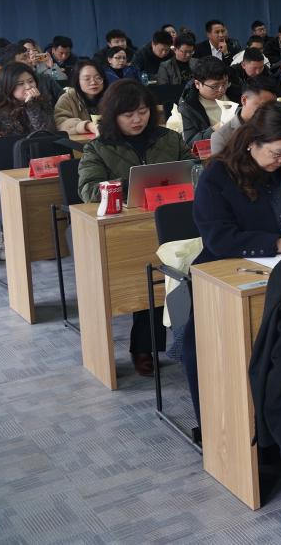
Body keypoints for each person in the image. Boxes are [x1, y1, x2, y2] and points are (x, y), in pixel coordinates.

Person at [189, 103, 281, 418]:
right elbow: (218, 237)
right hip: (226, 272)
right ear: (252, 143)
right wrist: (275, 243)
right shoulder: (218, 175)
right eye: (277, 153)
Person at [78, 80, 192, 376]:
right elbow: (88, 189)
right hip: (130, 227)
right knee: (145, 277)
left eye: (142, 112)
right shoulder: (98, 148)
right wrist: (131, 186)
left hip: (173, 221)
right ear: (113, 115)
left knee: (185, 275)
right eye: (128, 114)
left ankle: (190, 342)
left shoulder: (169, 138)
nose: (137, 119)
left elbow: (195, 171)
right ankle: (143, 347)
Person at [0, 62, 54, 144]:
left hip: (36, 150)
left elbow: (48, 133)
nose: (28, 87)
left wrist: (32, 105)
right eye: (20, 83)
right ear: (8, 85)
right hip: (4, 150)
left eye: (31, 81)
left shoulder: (42, 99)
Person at [170, 57, 236, 147]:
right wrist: (220, 126)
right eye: (214, 86)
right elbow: (191, 143)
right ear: (197, 84)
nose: (222, 90)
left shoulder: (236, 93)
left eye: (224, 83)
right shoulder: (188, 108)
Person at [211, 74, 279, 154]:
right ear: (244, 100)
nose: (268, 111)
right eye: (263, 106)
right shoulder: (222, 137)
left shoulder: (277, 125)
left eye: (272, 106)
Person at [54, 59, 107, 136]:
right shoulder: (68, 98)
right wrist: (87, 126)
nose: (93, 82)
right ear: (77, 81)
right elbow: (61, 124)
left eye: (98, 78)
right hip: (79, 142)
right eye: (87, 79)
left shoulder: (111, 96)